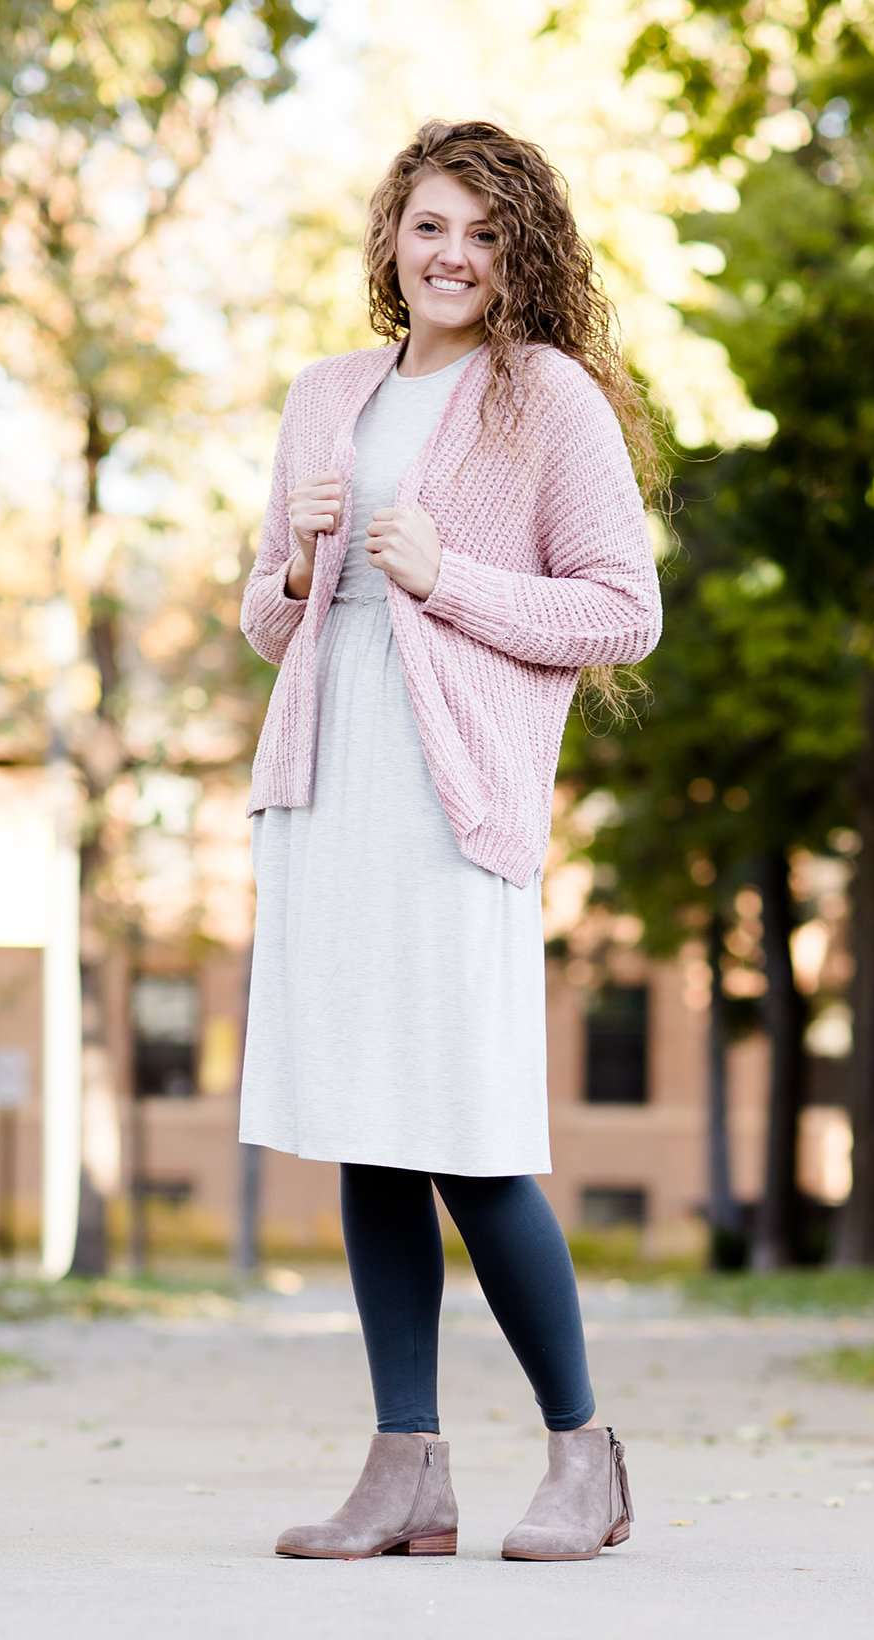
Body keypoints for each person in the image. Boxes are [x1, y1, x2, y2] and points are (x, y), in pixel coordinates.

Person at [237, 118, 663, 1562]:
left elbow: (622, 610)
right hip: (327, 785)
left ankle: (581, 1455)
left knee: (470, 1138)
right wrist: (297, 567)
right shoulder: (327, 393)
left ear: (521, 252)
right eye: (431, 226)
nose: (454, 256)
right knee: (367, 1132)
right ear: (392, 238)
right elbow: (268, 617)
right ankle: (407, 1466)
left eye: (484, 233)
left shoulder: (545, 400)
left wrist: (449, 575)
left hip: (453, 794)